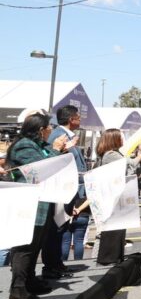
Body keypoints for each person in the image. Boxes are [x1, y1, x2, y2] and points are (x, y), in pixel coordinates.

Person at [6, 111, 69, 299]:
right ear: (41, 130)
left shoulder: (38, 145)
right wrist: (56, 149)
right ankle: (18, 288)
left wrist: (59, 150)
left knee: (36, 245)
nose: (51, 130)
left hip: (41, 202)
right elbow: (42, 168)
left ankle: (30, 280)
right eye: (49, 127)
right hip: (27, 204)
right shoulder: (24, 145)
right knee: (25, 246)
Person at [95, 129, 141, 266]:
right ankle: (110, 257)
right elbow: (132, 163)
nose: (123, 140)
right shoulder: (111, 155)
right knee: (114, 228)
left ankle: (115, 256)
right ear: (113, 139)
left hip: (115, 194)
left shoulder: (112, 153)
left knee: (118, 226)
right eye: (120, 137)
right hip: (113, 196)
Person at [45, 106, 85, 277]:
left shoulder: (69, 136)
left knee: (62, 228)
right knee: (56, 229)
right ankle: (51, 266)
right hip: (60, 190)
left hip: (69, 190)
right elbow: (52, 160)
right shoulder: (58, 136)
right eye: (78, 117)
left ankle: (57, 264)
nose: (80, 120)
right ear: (71, 119)